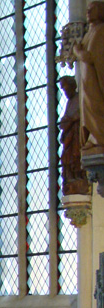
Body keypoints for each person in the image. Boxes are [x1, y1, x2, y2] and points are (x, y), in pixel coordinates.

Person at [75, 2, 104, 153]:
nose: (88, 12)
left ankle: (99, 137)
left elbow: (90, 57)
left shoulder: (100, 31)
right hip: (86, 81)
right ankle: (93, 137)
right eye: (87, 9)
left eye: (91, 9)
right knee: (88, 108)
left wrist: (76, 51)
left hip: (94, 81)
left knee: (95, 107)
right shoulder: (89, 33)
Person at [58, 76, 88, 194]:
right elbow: (66, 118)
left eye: (65, 89)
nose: (65, 93)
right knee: (66, 158)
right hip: (69, 135)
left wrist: (69, 120)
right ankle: (70, 178)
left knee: (75, 156)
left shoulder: (79, 98)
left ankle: (78, 176)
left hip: (76, 134)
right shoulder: (70, 102)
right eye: (63, 90)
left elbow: (80, 115)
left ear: (72, 86)